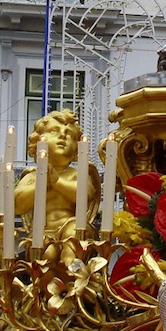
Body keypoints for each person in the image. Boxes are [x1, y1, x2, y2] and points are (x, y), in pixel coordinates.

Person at [13, 110, 100, 266]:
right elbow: (17, 205)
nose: (62, 136)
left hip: (75, 230)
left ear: (77, 149)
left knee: (72, 235)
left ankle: (72, 270)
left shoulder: (77, 174)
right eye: (54, 131)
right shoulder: (32, 177)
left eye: (70, 135)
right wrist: (42, 184)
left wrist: (56, 182)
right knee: (48, 256)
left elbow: (86, 194)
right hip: (43, 235)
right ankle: (45, 285)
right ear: (37, 142)